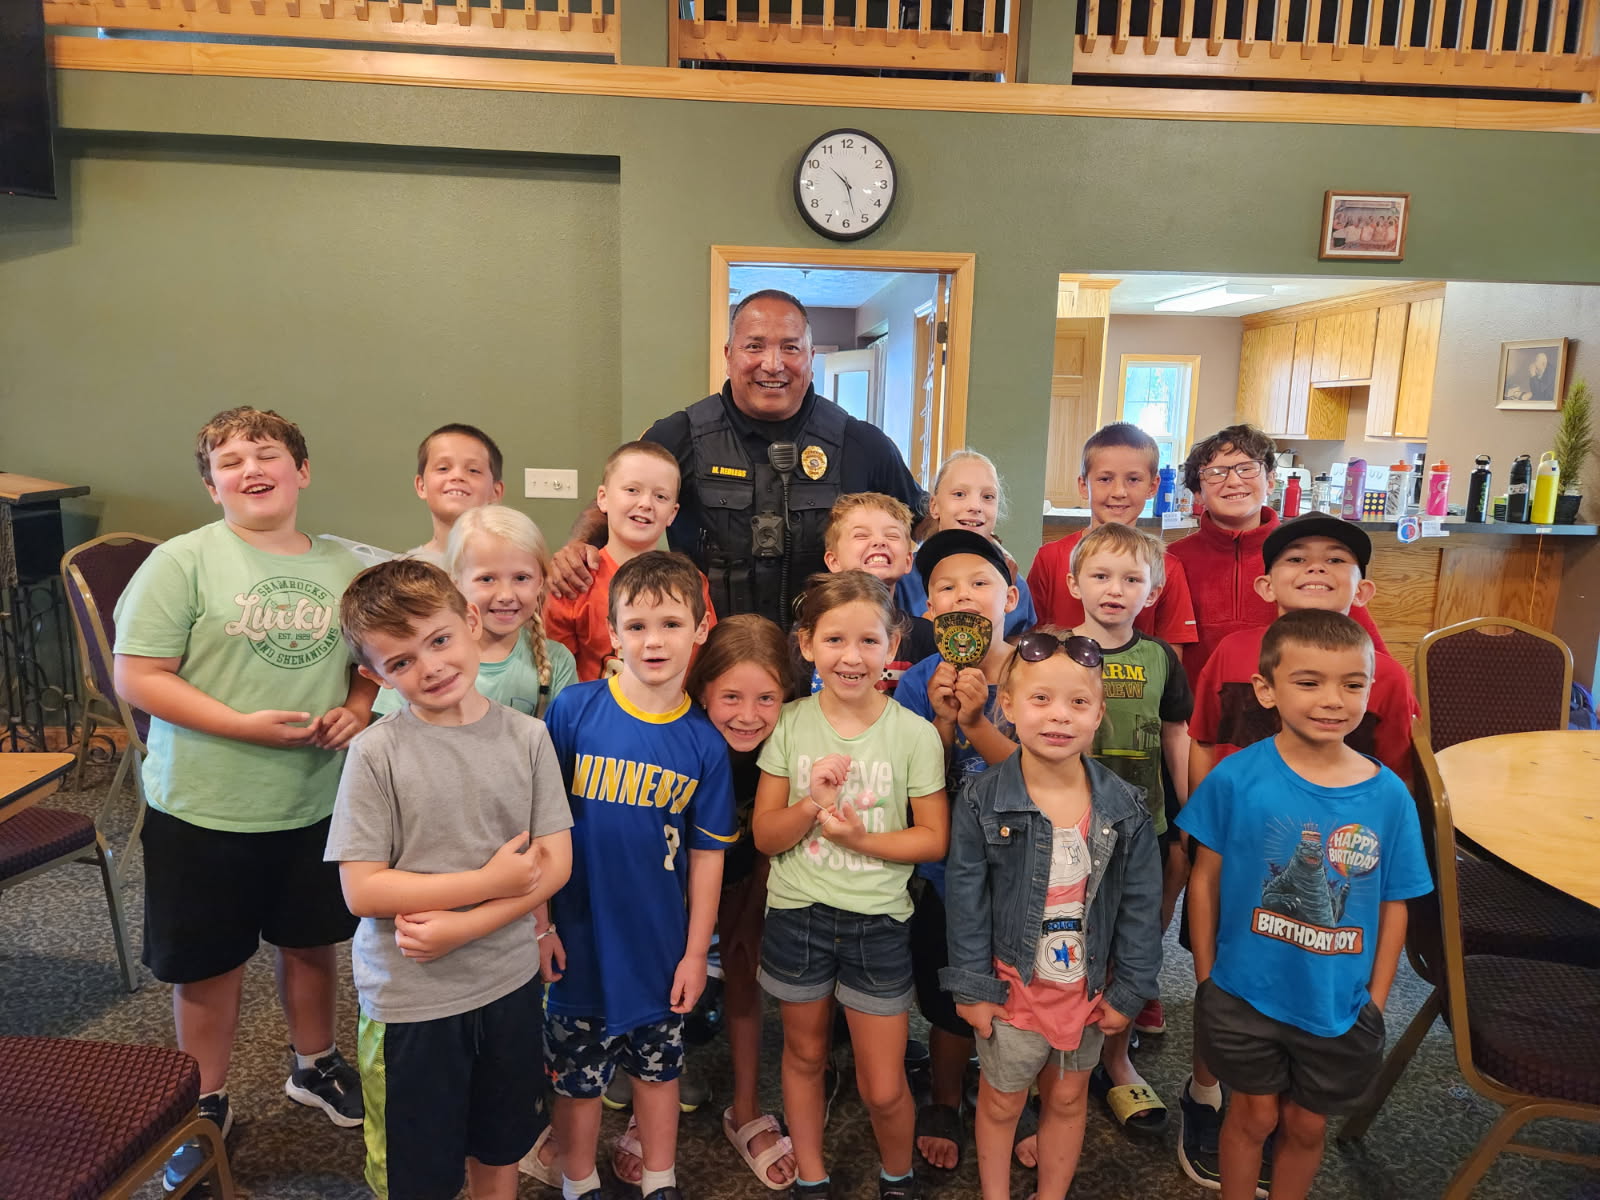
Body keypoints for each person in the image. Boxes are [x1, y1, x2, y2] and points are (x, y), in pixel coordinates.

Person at [112, 406, 375, 1192]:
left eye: (267, 454)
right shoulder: (182, 562)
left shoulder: (341, 564)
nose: (251, 469)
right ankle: (206, 1099)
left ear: (302, 470)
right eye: (230, 461)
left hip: (312, 800)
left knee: (311, 942)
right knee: (210, 964)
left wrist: (359, 706)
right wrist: (240, 726)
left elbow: (372, 660)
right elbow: (139, 676)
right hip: (205, 804)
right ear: (210, 484)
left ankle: (314, 1063)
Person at [328, 558, 574, 1200]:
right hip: (413, 1003)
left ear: (468, 621)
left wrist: (464, 924)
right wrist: (488, 883)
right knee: (420, 1174)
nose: (430, 666)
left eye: (438, 640)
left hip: (508, 985)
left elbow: (555, 865)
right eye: (401, 661)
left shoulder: (529, 737)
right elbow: (364, 891)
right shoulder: (375, 752)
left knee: (500, 1148)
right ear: (372, 676)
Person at [1177, 611, 1431, 1200]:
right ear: (1267, 690)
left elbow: (1396, 902)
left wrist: (1378, 999)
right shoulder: (1234, 776)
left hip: (1337, 1001)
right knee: (1253, 1116)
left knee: (1306, 1123)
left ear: (1372, 689)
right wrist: (1207, 977)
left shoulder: (1390, 796)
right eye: (1309, 681)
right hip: (1244, 993)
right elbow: (1204, 880)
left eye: (1352, 683)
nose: (1333, 700)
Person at [548, 290, 926, 629]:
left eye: (791, 348)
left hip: (829, 658)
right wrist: (577, 547)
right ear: (729, 355)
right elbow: (617, 501)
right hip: (708, 657)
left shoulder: (862, 442)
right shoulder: (677, 435)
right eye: (755, 346)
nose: (773, 364)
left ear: (811, 357)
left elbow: (924, 523)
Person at [941, 628, 1162, 1200]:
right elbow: (966, 899)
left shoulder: (1124, 806)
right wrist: (972, 986)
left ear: (1098, 714)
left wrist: (1131, 989)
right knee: (1002, 1098)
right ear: (1008, 707)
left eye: (1078, 702)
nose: (1058, 716)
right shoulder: (981, 799)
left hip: (1086, 991)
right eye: (1040, 699)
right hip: (1014, 988)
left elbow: (1141, 906)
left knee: (1067, 1099)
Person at [541, 551, 736, 1200]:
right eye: (639, 624)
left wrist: (694, 955)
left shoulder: (705, 743)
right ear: (614, 632)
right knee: (578, 1079)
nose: (655, 640)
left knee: (658, 1072)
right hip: (579, 934)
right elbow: (542, 824)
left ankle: (660, 1181)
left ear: (701, 626)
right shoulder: (574, 710)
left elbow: (708, 857)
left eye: (672, 623)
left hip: (658, 943)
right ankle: (578, 1182)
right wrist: (542, 926)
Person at [753, 570, 949, 1200]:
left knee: (883, 1084)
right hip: (798, 916)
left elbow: (933, 839)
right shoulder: (788, 724)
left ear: (893, 645)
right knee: (805, 1057)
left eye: (869, 641)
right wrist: (812, 806)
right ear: (806, 644)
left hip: (879, 923)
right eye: (834, 639)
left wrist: (858, 839)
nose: (852, 656)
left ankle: (897, 1176)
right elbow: (764, 835)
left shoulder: (914, 734)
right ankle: (811, 1175)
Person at [893, 528, 1022, 1173]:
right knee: (951, 987)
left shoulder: (1034, 671)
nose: (963, 595)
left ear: (1011, 597)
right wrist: (944, 722)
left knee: (1021, 988)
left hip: (1026, 870)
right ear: (929, 608)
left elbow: (1042, 779)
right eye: (946, 586)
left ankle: (1009, 1091)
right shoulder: (919, 681)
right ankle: (945, 1096)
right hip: (950, 871)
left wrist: (977, 722)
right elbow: (919, 788)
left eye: (980, 583)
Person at [1064, 523, 1192, 1133]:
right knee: (1067, 935)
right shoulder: (1053, 651)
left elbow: (1176, 735)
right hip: (1072, 825)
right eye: (1102, 575)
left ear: (1155, 590)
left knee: (1134, 941)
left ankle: (1117, 1061)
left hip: (1146, 827)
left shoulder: (1162, 658)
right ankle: (1060, 1053)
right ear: (1074, 583)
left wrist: (1188, 818)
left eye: (1132, 579)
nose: (1116, 590)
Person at [686, 615, 801, 1191]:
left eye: (766, 698)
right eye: (730, 696)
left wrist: (752, 907)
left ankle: (746, 1105)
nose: (748, 715)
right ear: (703, 688)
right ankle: (645, 1099)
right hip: (675, 876)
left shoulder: (787, 743)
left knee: (742, 972)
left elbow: (764, 841)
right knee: (668, 973)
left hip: (745, 873)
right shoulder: (682, 736)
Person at [1189, 513, 1416, 793]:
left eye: (1336, 560)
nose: (1316, 567)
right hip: (1234, 822)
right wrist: (1192, 827)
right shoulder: (1231, 651)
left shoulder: (1389, 676)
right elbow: (1204, 741)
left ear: (1362, 590)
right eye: (1296, 559)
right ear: (1267, 586)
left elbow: (1399, 775)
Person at [1166, 424, 1386, 694]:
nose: (1233, 481)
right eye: (1215, 473)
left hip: (1299, 718)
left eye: (1246, 468)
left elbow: (1373, 655)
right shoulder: (1173, 561)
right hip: (1199, 722)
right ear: (1197, 493)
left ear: (1270, 481)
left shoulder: (1306, 560)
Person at [373, 504, 577, 720]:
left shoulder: (558, 661)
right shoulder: (425, 660)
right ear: (456, 583)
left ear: (540, 582)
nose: (505, 595)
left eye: (521, 578)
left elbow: (560, 745)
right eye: (487, 579)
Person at [544, 440, 716, 682]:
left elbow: (701, 668)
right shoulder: (575, 578)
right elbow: (557, 674)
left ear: (673, 514)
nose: (645, 503)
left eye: (660, 496)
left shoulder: (692, 583)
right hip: (594, 717)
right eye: (632, 490)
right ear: (603, 498)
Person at [1026, 422, 1197, 657]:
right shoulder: (1050, 558)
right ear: (1083, 485)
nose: (1119, 492)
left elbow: (1171, 659)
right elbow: (1032, 640)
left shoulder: (1168, 567)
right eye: (1105, 479)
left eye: (1133, 479)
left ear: (1153, 485)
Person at [895, 450, 1037, 639]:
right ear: (934, 506)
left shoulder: (1014, 584)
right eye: (960, 494)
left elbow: (1021, 655)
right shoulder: (902, 577)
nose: (975, 506)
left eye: (987, 497)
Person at [808, 491, 936, 697]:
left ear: (907, 561)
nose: (879, 541)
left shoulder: (926, 636)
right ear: (833, 560)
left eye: (892, 535)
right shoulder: (811, 631)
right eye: (861, 535)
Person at [408, 423, 505, 567]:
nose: (457, 476)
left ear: (495, 492)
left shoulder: (521, 566)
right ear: (421, 486)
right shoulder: (400, 573)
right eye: (443, 468)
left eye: (473, 470)